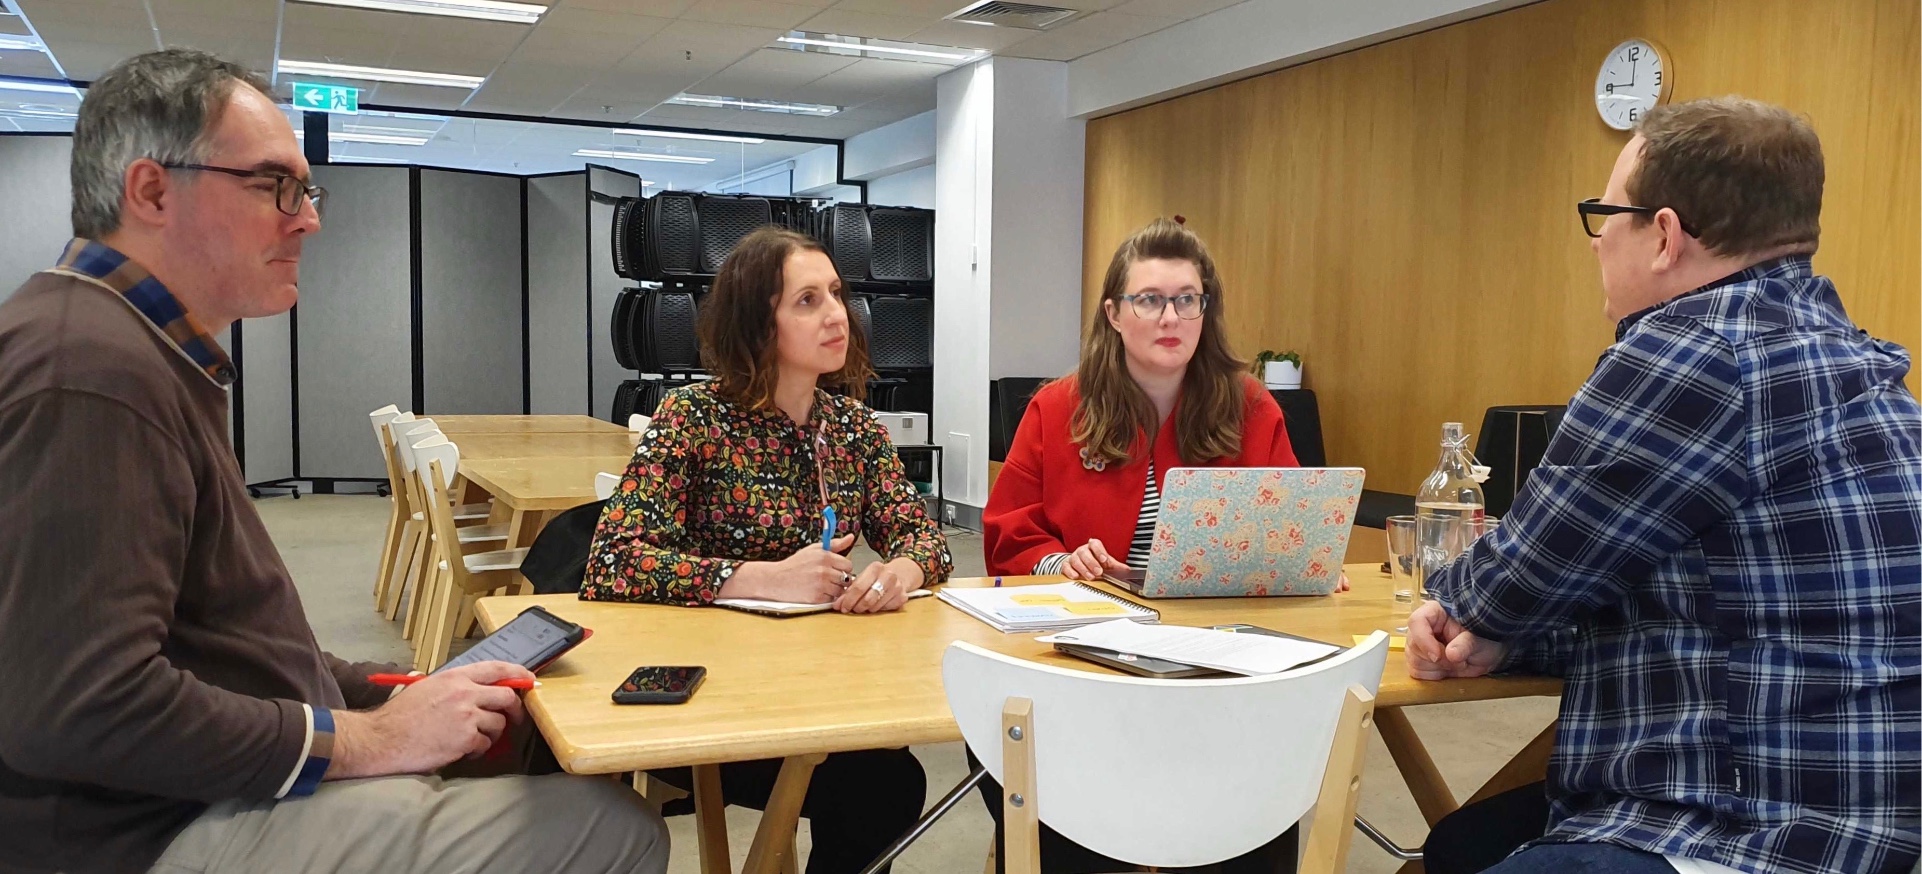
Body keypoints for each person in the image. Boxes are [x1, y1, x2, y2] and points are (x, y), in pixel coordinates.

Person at [0, 50, 667, 874]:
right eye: (274, 186)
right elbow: (79, 708)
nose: (307, 219)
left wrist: (390, 687)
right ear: (150, 191)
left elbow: (222, 646)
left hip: (182, 800)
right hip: (145, 834)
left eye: (307, 191)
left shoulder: (125, 351)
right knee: (612, 825)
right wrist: (368, 737)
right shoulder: (92, 372)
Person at [1409, 97, 1920, 874]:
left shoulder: (1691, 354)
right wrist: (1512, 628)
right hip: (1867, 809)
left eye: (1604, 214)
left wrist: (1482, 613)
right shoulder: (1854, 357)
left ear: (1664, 234)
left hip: (1749, 829)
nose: (1595, 243)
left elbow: (1508, 580)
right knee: (1458, 845)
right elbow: (1675, 595)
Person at [582, 226, 952, 874]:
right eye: (807, 300)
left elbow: (925, 539)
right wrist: (755, 578)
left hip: (826, 684)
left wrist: (901, 568)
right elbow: (613, 559)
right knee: (878, 787)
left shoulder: (852, 427)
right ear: (757, 321)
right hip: (718, 693)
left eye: (835, 293)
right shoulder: (693, 418)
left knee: (890, 779)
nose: (837, 313)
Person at [975, 218, 1306, 873]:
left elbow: (1292, 525)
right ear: (1114, 313)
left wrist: (1297, 563)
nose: (1171, 316)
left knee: (1259, 792)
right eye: (1149, 299)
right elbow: (1006, 529)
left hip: (1215, 664)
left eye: (1188, 299)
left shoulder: (1251, 407)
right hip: (1084, 667)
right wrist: (1059, 562)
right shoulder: (1057, 407)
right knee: (1058, 793)